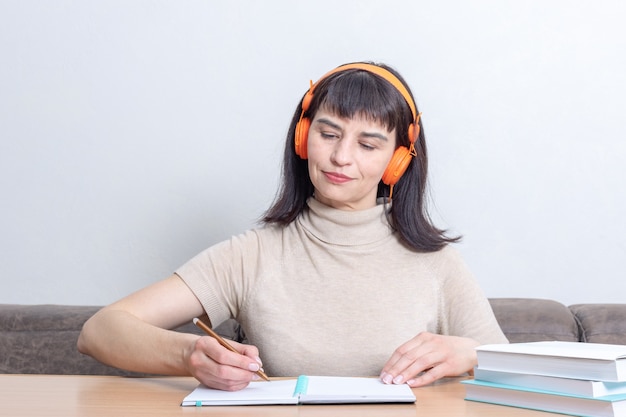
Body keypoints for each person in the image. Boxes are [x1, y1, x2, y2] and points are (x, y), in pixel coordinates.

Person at [78, 61, 508, 392]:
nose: (342, 156)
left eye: (368, 144)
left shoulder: (438, 264)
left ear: (397, 160)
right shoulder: (252, 255)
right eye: (329, 133)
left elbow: (517, 372)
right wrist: (191, 354)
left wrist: (470, 353)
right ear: (303, 139)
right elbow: (99, 332)